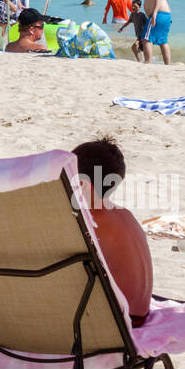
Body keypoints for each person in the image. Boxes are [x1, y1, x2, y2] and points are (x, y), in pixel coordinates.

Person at [71, 136, 152, 325]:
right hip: (139, 313)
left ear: (84, 184)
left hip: (119, 323)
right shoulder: (123, 214)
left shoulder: (93, 222)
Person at [144, 0, 172, 65]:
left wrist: (155, 13)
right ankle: (168, 64)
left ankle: (148, 62)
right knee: (163, 41)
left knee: (146, 39)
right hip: (164, 15)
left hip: (158, 14)